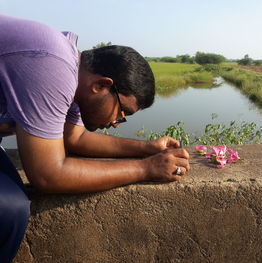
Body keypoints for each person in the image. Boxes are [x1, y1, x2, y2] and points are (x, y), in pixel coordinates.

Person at [0, 14, 190, 262]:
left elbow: (75, 138)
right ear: (101, 85)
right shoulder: (52, 65)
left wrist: (147, 149)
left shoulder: (76, 76)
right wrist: (147, 168)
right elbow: (48, 174)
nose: (115, 122)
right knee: (9, 209)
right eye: (122, 112)